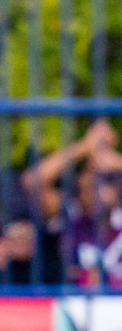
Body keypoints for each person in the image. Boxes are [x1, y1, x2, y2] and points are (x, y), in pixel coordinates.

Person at [21, 120, 122, 287]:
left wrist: (114, 160)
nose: (95, 191)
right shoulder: (71, 213)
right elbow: (32, 182)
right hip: (72, 306)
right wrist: (85, 146)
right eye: (90, 184)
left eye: (105, 180)